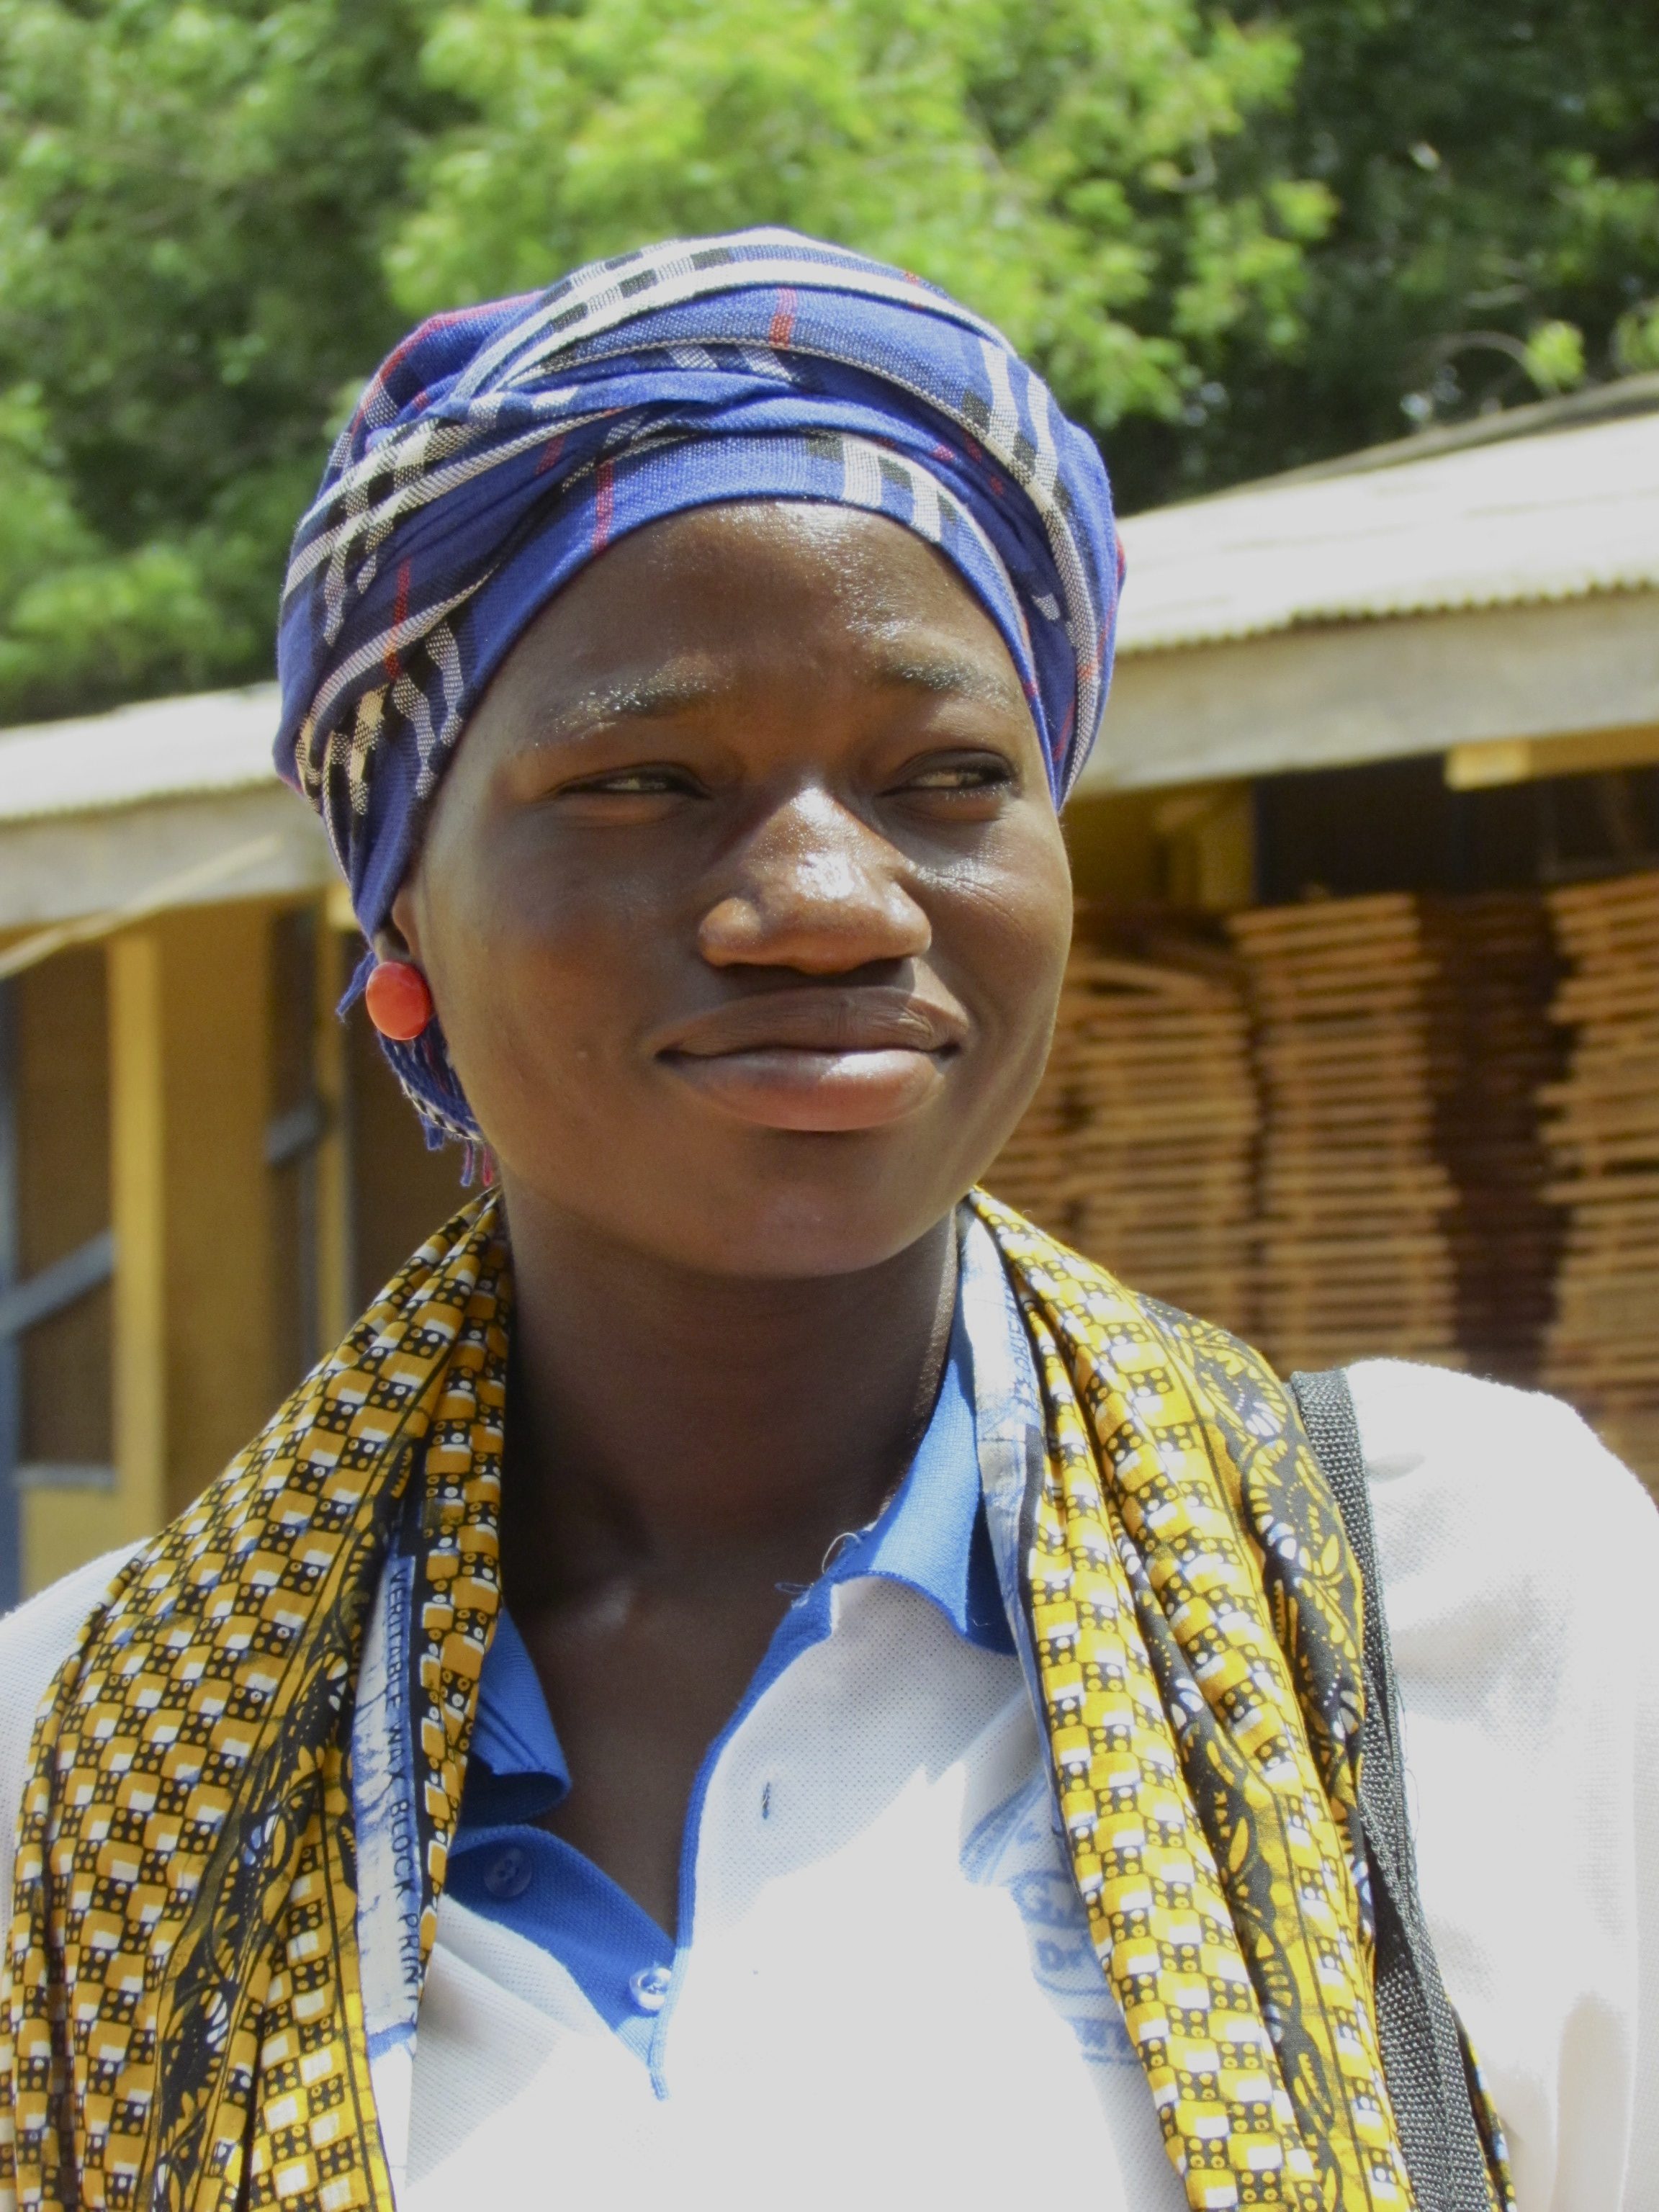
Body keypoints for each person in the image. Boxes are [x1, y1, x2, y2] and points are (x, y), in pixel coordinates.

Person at [0, 230, 1653, 2212]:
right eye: (644, 779)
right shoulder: (85, 1768)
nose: (823, 902)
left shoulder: (1442, 1607)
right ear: (406, 924)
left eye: (949, 773)